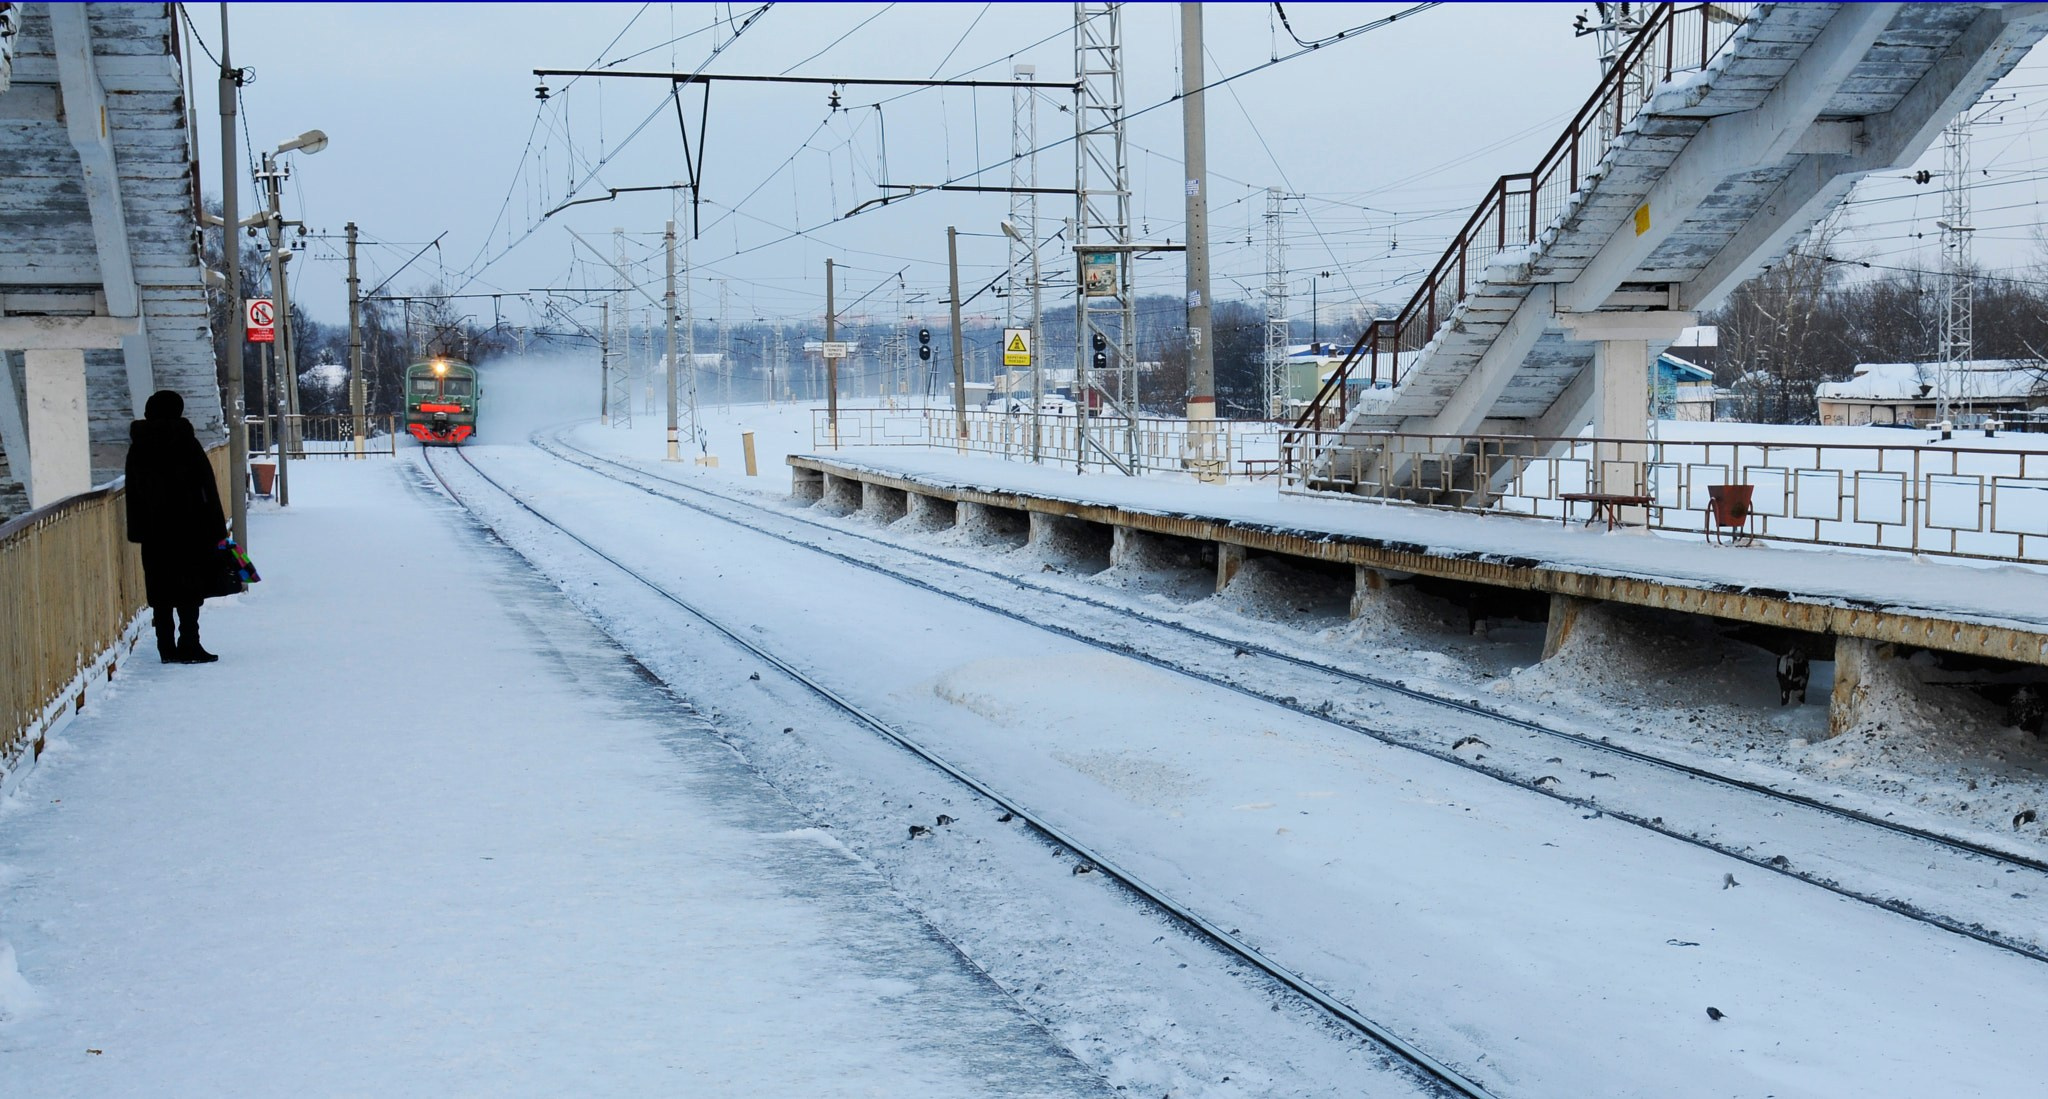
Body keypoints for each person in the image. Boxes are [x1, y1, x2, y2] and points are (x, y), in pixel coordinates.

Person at [125, 389, 226, 663]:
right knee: (189, 589)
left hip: (155, 532)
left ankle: (166, 648)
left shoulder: (139, 445)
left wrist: (139, 529)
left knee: (160, 589)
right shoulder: (186, 442)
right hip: (190, 530)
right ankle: (190, 643)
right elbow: (207, 490)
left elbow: (133, 492)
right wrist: (218, 531)